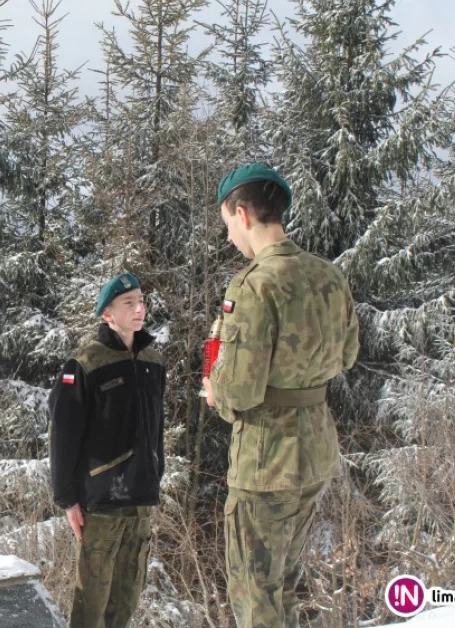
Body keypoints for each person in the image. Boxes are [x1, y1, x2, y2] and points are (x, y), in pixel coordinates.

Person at [202, 163, 360, 628]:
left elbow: (242, 389)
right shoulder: (329, 275)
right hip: (314, 451)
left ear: (243, 213)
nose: (230, 236)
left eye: (228, 223)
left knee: (256, 596)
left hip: (267, 459)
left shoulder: (254, 284)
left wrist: (217, 393)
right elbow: (348, 353)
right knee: (285, 583)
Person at [48, 272, 167, 628]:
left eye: (141, 301)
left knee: (127, 598)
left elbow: (156, 427)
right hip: (101, 500)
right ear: (107, 314)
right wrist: (67, 498)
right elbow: (63, 435)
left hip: (143, 497)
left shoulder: (153, 361)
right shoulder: (86, 363)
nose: (139, 309)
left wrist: (157, 472)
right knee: (92, 602)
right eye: (128, 303)